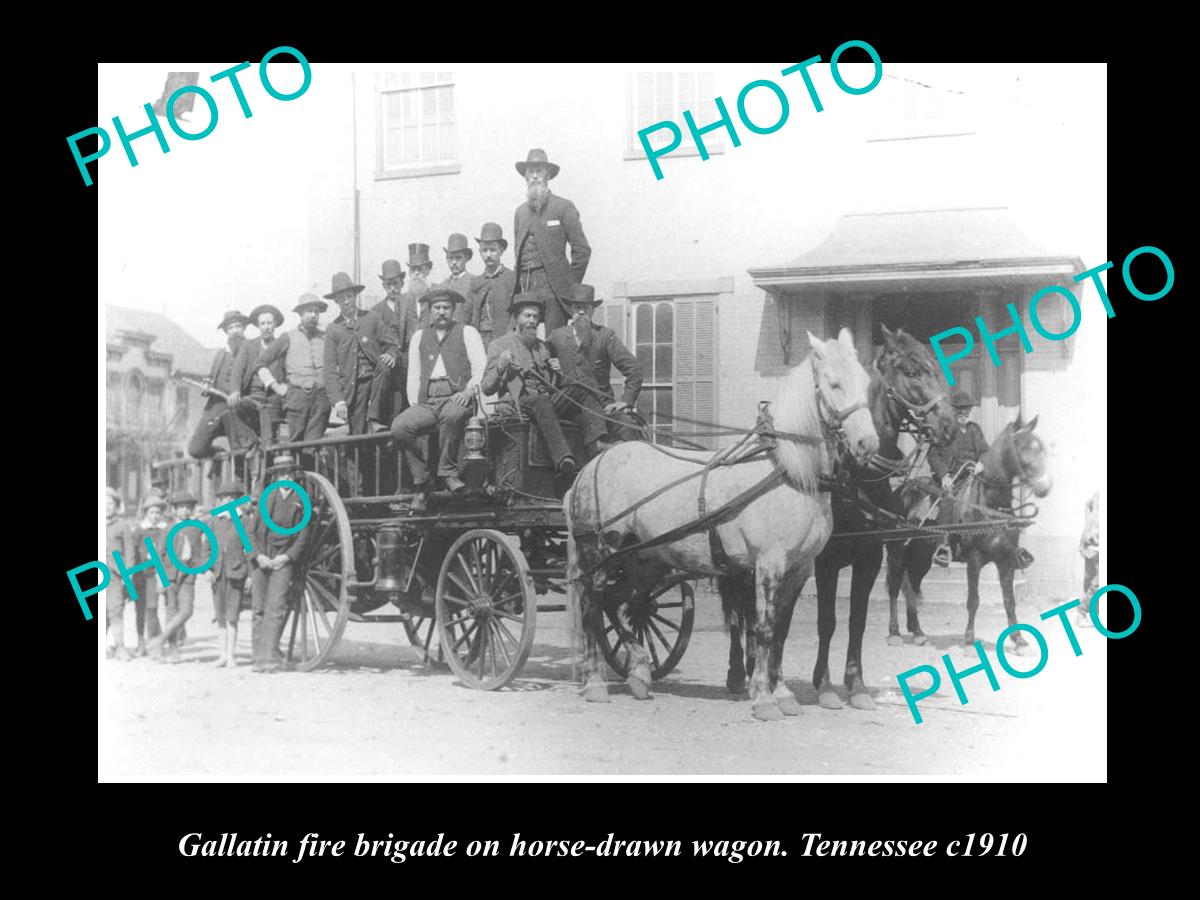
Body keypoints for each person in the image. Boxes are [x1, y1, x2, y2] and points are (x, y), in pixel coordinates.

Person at [482, 293, 609, 476]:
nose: (532, 321)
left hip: (546, 403)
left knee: (585, 383)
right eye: (527, 316)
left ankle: (596, 442)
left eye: (535, 317)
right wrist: (500, 367)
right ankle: (563, 459)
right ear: (516, 318)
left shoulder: (542, 347)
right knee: (541, 400)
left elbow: (552, 385)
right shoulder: (499, 345)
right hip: (518, 403)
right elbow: (487, 388)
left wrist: (558, 374)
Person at [391, 289, 487, 508]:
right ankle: (422, 480)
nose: (441, 312)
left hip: (457, 397)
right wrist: (417, 404)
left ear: (453, 310)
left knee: (452, 416)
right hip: (429, 399)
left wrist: (469, 391)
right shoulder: (419, 336)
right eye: (437, 308)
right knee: (401, 426)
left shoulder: (467, 332)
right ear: (430, 311)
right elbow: (414, 373)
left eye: (446, 308)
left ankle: (447, 473)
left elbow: (481, 367)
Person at [546, 283, 643, 442]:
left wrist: (625, 401)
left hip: (602, 407)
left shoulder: (605, 336)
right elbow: (540, 364)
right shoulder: (557, 337)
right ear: (571, 310)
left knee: (627, 427)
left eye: (586, 308)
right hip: (568, 407)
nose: (582, 312)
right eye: (577, 307)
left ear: (592, 310)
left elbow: (635, 369)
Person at [512, 149, 591, 333]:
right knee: (523, 339)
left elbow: (582, 251)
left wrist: (569, 285)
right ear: (525, 176)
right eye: (530, 172)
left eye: (539, 171)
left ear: (547, 175)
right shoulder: (520, 212)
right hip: (525, 286)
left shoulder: (563, 206)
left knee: (554, 342)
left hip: (554, 289)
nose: (534, 176)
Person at [250, 452, 312, 673]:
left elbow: (303, 535)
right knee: (258, 608)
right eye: (280, 474)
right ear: (275, 478)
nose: (284, 477)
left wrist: (287, 557)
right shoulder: (267, 498)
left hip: (283, 558)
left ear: (293, 476)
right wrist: (259, 556)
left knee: (275, 608)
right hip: (263, 557)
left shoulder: (300, 500)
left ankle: (268, 657)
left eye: (288, 472)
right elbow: (252, 532)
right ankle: (258, 656)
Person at [323, 271, 398, 434]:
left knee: (385, 434)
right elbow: (329, 370)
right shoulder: (333, 329)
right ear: (336, 300)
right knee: (358, 437)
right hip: (354, 387)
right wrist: (339, 401)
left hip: (378, 381)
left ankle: (374, 420)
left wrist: (391, 354)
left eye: (349, 296)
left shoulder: (371, 318)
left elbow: (391, 342)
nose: (346, 301)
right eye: (341, 298)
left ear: (355, 296)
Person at [254, 294, 332, 443]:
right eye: (309, 311)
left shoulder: (326, 338)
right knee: (295, 444)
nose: (313, 315)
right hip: (297, 398)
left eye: (316, 312)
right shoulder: (288, 337)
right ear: (300, 314)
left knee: (314, 445)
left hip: (322, 400)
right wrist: (276, 386)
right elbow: (259, 363)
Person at [186, 310, 259, 461]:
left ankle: (242, 477)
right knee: (195, 449)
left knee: (240, 454)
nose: (235, 331)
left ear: (244, 328)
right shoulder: (221, 354)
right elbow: (211, 379)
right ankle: (218, 453)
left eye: (238, 326)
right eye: (231, 328)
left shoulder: (252, 350)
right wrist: (206, 387)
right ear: (226, 331)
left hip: (237, 409)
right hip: (215, 407)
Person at [930, 390, 990, 567]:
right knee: (948, 499)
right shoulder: (945, 431)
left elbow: (985, 451)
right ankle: (942, 546)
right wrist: (944, 475)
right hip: (951, 479)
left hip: (971, 476)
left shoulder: (975, 430)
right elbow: (932, 455)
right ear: (954, 412)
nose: (964, 415)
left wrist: (981, 463)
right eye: (960, 411)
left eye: (967, 411)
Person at [150, 491, 204, 660]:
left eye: (188, 508)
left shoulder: (196, 527)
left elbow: (200, 551)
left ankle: (160, 639)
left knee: (187, 610)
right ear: (174, 510)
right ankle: (173, 651)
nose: (185, 511)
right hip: (170, 574)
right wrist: (161, 578)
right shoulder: (168, 528)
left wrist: (201, 567)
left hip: (188, 574)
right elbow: (159, 554)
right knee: (171, 611)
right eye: (181, 508)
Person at [208, 480, 250, 668]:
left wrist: (248, 574)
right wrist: (208, 569)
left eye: (232, 498)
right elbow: (207, 547)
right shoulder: (214, 522)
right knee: (220, 615)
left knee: (232, 615)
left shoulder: (243, 521)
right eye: (225, 498)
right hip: (217, 574)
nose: (228, 501)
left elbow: (249, 550)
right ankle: (222, 654)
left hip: (236, 572)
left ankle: (232, 656)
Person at [231, 304, 286, 442]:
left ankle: (266, 453)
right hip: (253, 396)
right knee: (236, 407)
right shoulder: (249, 346)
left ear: (275, 325)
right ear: (258, 326)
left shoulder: (281, 346)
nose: (266, 327)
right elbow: (237, 370)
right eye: (262, 323)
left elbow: (287, 371)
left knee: (271, 435)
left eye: (269, 323)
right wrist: (235, 390)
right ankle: (252, 443)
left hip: (273, 398)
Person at [367, 259, 409, 419]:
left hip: (406, 371)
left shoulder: (410, 305)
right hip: (386, 371)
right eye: (388, 284)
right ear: (383, 286)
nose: (393, 288)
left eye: (396, 284)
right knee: (386, 415)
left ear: (402, 283)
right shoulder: (375, 312)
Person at [465, 222, 516, 344]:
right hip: (479, 339)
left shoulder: (511, 278)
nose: (488, 255)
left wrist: (508, 338)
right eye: (484, 250)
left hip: (503, 338)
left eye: (493, 250)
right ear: (480, 252)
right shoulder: (476, 282)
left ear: (501, 251)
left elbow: (516, 314)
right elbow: (466, 313)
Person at [132, 494, 169, 656]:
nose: (155, 516)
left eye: (157, 512)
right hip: (140, 574)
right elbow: (132, 551)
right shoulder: (140, 530)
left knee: (152, 608)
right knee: (140, 608)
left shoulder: (165, 530)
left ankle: (155, 641)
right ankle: (141, 642)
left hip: (156, 573)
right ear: (146, 513)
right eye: (152, 512)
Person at [105, 487, 134, 660]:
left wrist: (128, 574)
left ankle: (120, 646)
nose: (106, 507)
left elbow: (129, 552)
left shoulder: (122, 526)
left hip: (115, 575)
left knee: (116, 609)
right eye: (103, 503)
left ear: (116, 506)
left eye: (110, 503)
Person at [437, 233, 477, 309]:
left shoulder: (475, 283)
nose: (454, 262)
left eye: (458, 258)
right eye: (450, 258)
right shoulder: (441, 286)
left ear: (466, 258)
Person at [1078, 492, 1100, 625]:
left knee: (1091, 581)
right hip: (1094, 547)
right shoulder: (1096, 513)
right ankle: (1082, 613)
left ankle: (1093, 614)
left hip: (1091, 547)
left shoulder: (1096, 497)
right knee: (1097, 583)